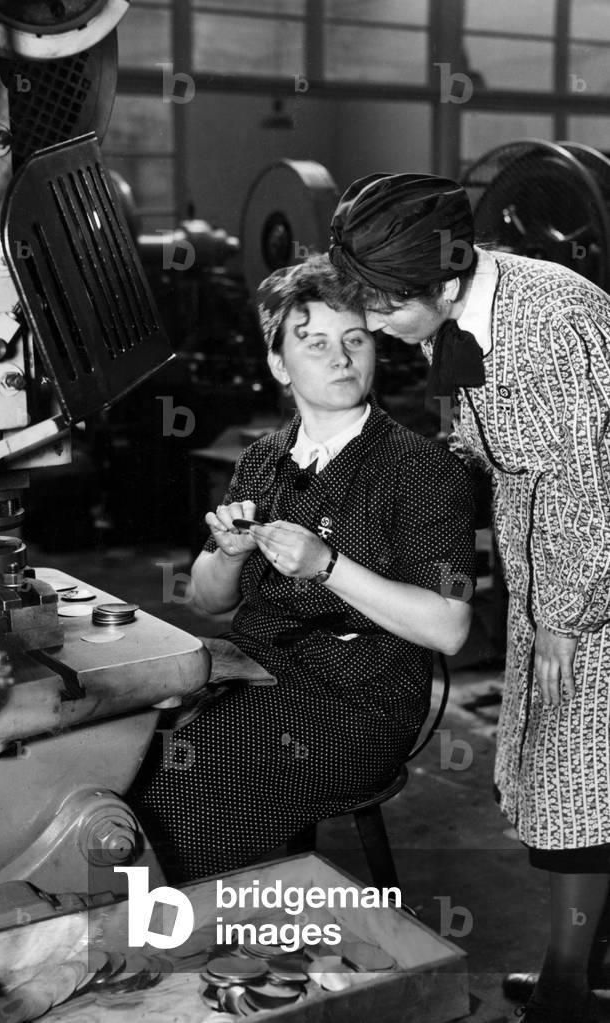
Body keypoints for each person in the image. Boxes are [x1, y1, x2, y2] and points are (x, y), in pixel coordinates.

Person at [329, 172, 610, 1023]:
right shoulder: (463, 312)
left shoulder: (548, 321)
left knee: (576, 785)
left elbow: (587, 486)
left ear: (444, 282)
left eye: (387, 307)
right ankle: (581, 971)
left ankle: (567, 990)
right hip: (549, 566)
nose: (377, 324)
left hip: (590, 576)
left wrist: (563, 617)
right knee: (561, 776)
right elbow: (503, 441)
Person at [129, 253, 474, 884]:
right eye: (315, 343)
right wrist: (229, 555)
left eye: (355, 340)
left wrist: (326, 565)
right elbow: (208, 602)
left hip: (363, 700)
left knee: (180, 789)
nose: (341, 359)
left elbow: (449, 628)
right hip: (258, 663)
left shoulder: (422, 468)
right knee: (120, 751)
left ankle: (174, 920)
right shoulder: (264, 457)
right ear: (279, 364)